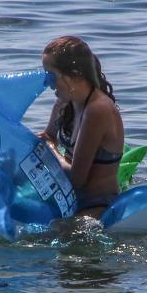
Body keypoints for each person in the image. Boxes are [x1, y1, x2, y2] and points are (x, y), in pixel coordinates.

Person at [39, 36, 124, 217]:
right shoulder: (64, 102)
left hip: (98, 205)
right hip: (68, 198)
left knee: (39, 239)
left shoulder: (97, 110)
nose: (47, 83)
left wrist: (51, 150)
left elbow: (77, 180)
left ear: (75, 75)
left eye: (51, 76)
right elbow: (48, 136)